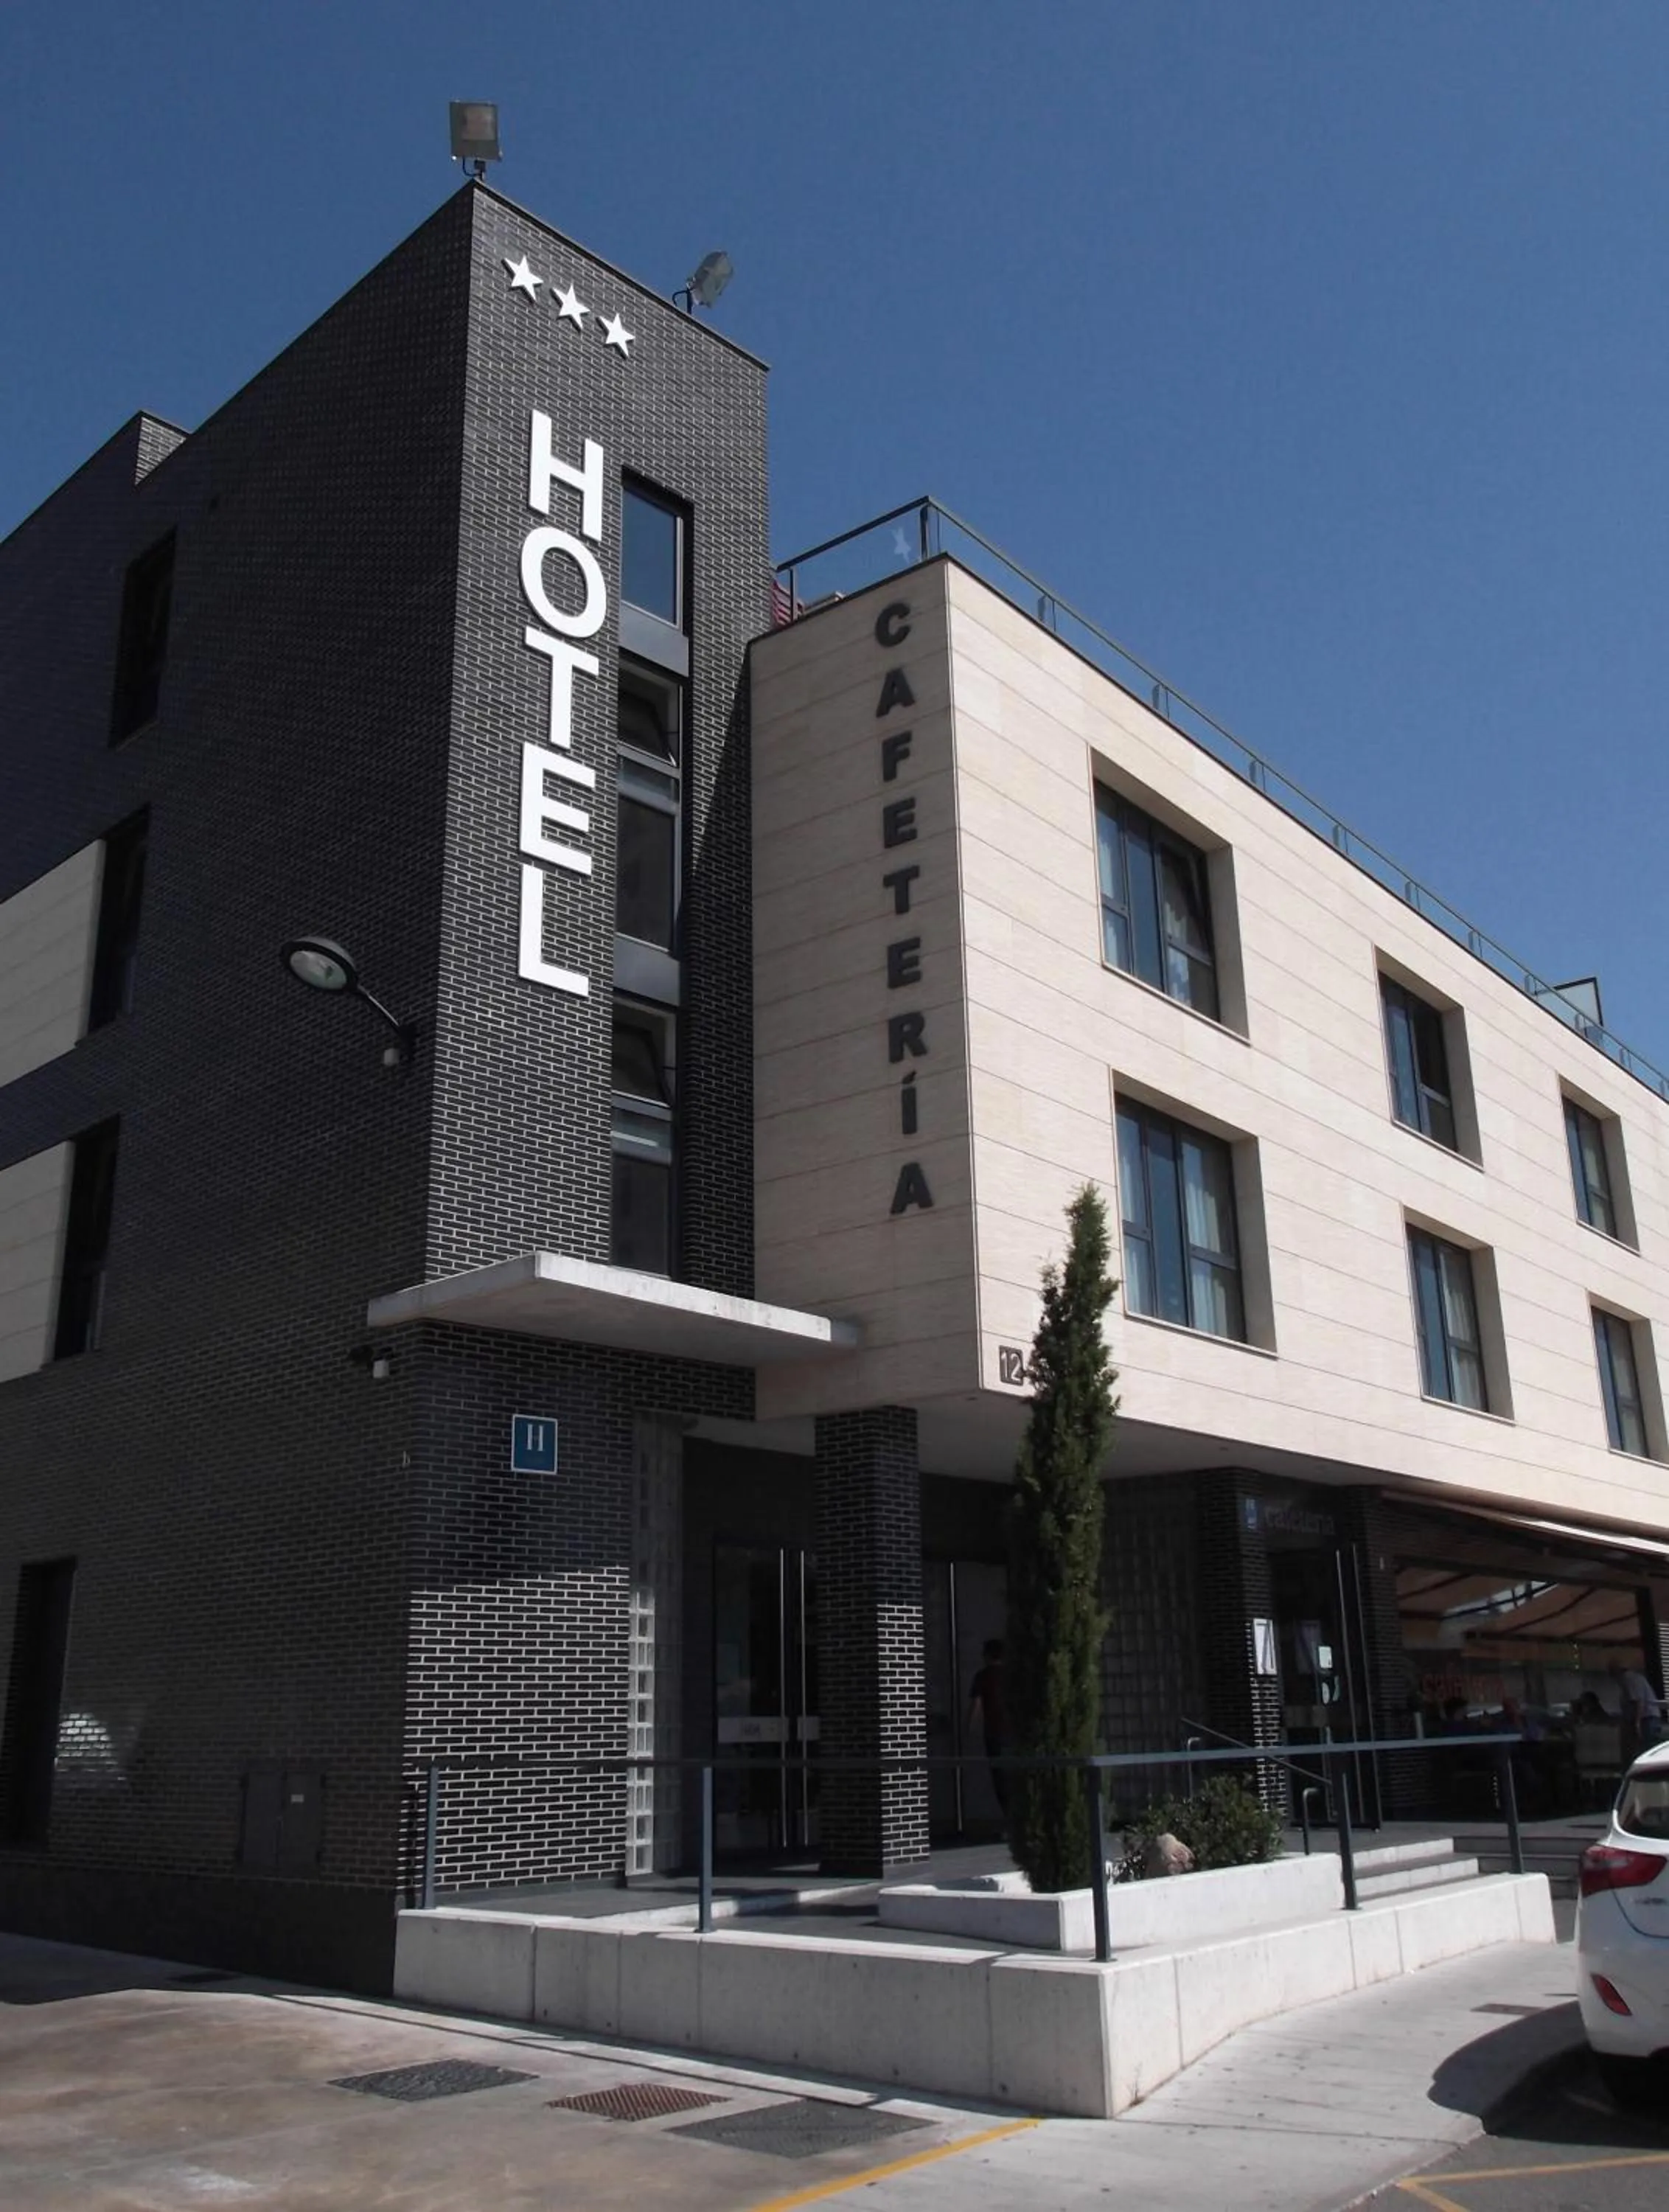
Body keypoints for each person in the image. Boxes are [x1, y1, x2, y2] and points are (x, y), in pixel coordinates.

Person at [968, 1638, 1008, 1817]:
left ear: (987, 1656)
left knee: (1000, 1778)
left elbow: (976, 1706)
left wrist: (968, 1730)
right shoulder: (1011, 1675)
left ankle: (1009, 1819)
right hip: (1013, 1733)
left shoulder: (982, 1676)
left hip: (994, 1734)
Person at [1611, 1660, 1667, 1759]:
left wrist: (1637, 1723)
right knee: (1646, 1748)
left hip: (1647, 1719)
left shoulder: (1629, 1679)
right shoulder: (1632, 1679)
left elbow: (1638, 1702)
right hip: (1647, 1718)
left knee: (1647, 1749)